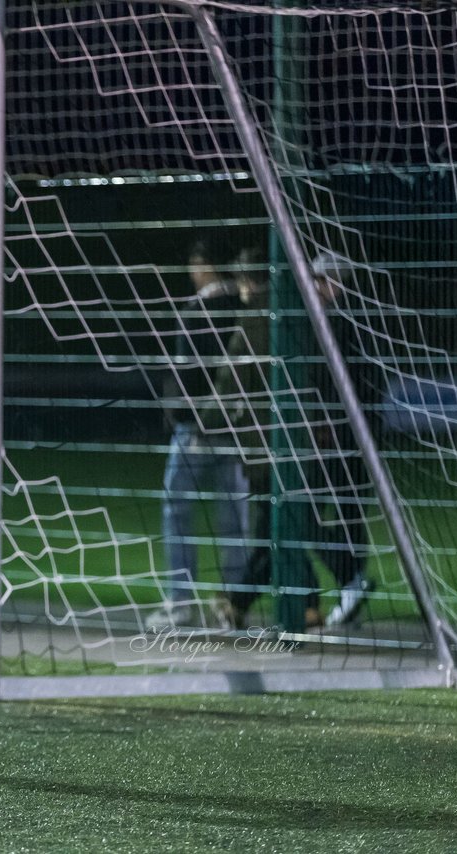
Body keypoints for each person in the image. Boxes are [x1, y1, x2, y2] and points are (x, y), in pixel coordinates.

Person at [147, 241, 253, 632]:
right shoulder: (244, 308)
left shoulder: (199, 309)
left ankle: (180, 599)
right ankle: (232, 601)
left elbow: (190, 371)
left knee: (178, 510)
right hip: (237, 427)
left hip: (198, 427)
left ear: (202, 266)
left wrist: (180, 413)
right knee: (235, 517)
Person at [305, 250, 376, 627]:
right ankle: (351, 590)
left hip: (333, 434)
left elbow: (337, 380)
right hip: (354, 433)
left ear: (334, 283)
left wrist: (326, 421)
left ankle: (350, 579)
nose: (313, 287)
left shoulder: (338, 322)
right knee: (349, 512)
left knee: (307, 513)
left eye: (319, 280)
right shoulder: (356, 319)